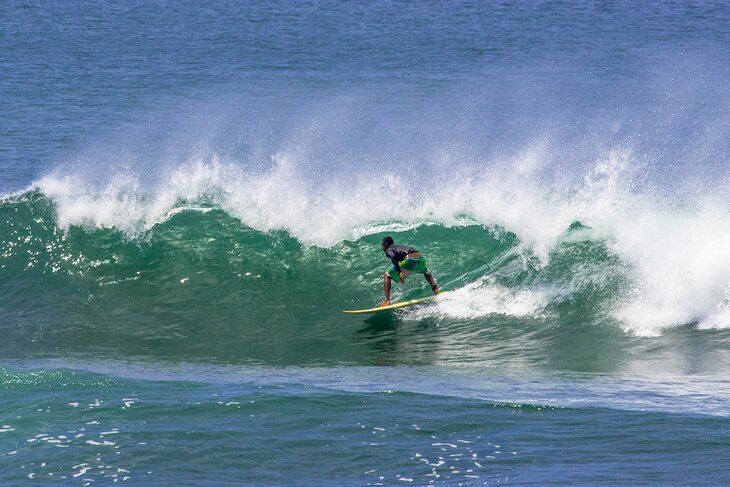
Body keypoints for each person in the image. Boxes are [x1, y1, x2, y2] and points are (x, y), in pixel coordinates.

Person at [380, 236, 439, 306]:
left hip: (410, 260)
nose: (382, 248)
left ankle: (387, 301)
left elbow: (393, 257)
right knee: (427, 272)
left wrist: (399, 272)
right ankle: (436, 291)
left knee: (387, 275)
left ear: (386, 244)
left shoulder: (389, 249)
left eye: (382, 245)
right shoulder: (399, 247)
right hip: (421, 259)